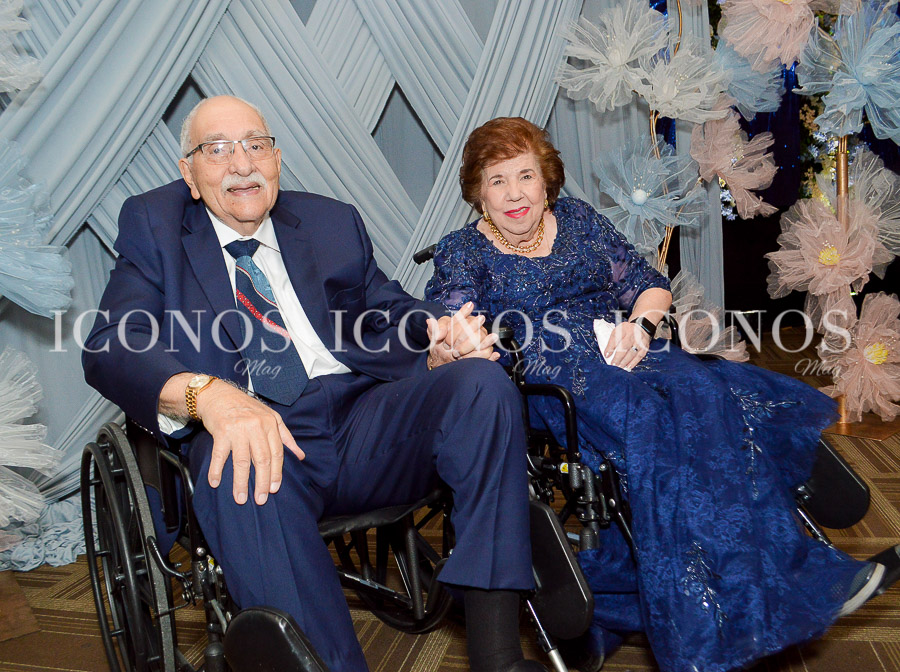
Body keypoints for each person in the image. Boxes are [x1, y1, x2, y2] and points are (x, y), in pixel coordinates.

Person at [82, 97, 550, 672]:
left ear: (276, 159)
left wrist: (438, 333)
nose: (242, 164)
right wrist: (210, 395)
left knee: (482, 383)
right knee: (236, 463)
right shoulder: (155, 227)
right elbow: (112, 342)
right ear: (189, 173)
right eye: (218, 149)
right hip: (259, 433)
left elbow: (388, 305)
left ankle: (498, 655)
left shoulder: (329, 221)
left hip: (361, 420)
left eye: (256, 145)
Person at [425, 116, 896, 672]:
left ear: (545, 180)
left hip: (624, 347)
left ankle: (776, 578)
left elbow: (649, 285)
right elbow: (451, 334)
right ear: (478, 193)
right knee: (654, 423)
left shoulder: (577, 219)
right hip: (554, 376)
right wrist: (453, 343)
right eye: (497, 180)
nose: (514, 193)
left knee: (711, 388)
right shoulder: (463, 252)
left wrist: (641, 327)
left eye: (525, 176)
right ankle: (719, 612)